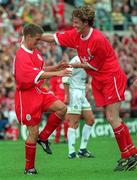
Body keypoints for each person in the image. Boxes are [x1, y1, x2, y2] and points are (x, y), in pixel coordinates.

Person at [41, 5, 137, 171]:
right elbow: (54, 38)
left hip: (111, 77)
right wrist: (35, 36)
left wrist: (78, 64)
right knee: (112, 118)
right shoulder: (76, 35)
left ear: (86, 23)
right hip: (101, 80)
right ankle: (131, 154)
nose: (74, 25)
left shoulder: (98, 39)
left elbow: (95, 66)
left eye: (76, 22)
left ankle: (129, 156)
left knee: (113, 118)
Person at [13, 23, 72, 175]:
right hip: (26, 96)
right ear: (28, 37)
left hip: (39, 91)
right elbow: (32, 75)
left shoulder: (34, 51)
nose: (39, 42)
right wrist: (57, 74)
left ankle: (44, 138)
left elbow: (40, 71)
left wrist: (55, 68)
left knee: (62, 108)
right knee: (33, 131)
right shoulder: (21, 55)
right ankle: (29, 168)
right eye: (37, 39)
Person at [62, 55, 95, 159]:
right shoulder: (76, 60)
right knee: (74, 122)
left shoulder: (89, 59)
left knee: (90, 120)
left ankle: (82, 149)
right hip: (74, 93)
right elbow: (65, 77)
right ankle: (71, 152)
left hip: (82, 93)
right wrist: (67, 95)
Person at [49, 76, 69, 143]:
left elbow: (52, 91)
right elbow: (52, 90)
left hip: (61, 100)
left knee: (60, 120)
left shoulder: (55, 77)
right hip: (61, 100)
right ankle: (63, 138)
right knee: (63, 120)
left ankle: (58, 139)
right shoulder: (55, 77)